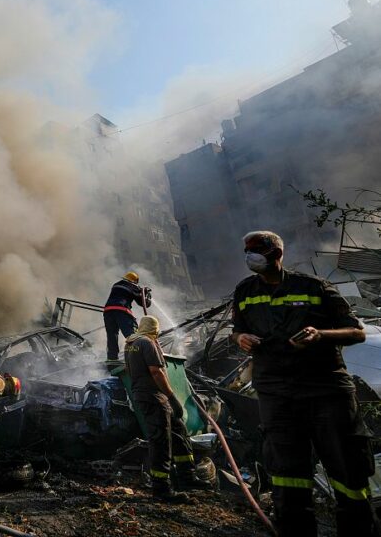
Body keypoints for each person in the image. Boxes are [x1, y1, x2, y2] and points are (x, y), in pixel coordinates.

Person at [231, 230, 376, 537]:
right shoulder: (244, 291)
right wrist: (240, 338)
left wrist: (321, 334)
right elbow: (237, 331)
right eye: (247, 250)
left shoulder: (313, 286)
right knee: (286, 475)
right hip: (276, 393)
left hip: (326, 391)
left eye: (258, 249)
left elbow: (357, 332)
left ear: (277, 253)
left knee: (347, 471)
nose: (250, 255)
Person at [125, 315, 209, 501]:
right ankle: (161, 489)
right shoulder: (147, 342)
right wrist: (172, 397)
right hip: (154, 397)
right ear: (153, 328)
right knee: (161, 441)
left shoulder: (131, 343)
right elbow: (157, 371)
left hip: (148, 395)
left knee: (179, 432)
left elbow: (129, 370)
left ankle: (188, 477)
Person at [103, 271, 152, 360]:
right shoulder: (133, 286)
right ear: (135, 281)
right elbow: (143, 303)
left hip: (108, 311)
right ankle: (136, 358)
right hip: (122, 311)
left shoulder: (116, 284)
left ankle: (112, 359)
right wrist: (146, 295)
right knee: (132, 336)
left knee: (112, 336)